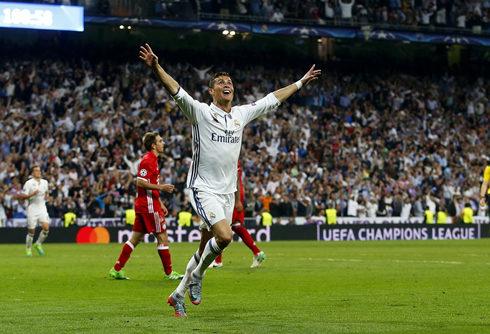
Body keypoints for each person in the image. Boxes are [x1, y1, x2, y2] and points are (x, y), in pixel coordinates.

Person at [137, 43, 321, 317]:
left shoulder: (240, 115)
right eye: (220, 82)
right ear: (212, 91)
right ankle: (199, 276)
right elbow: (175, 89)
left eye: (230, 82)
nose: (227, 84)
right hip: (203, 188)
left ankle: (178, 295)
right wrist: (156, 68)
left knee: (204, 248)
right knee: (225, 236)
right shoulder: (200, 112)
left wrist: (300, 82)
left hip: (226, 193)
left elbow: (273, 99)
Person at [109, 132, 183, 281]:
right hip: (149, 206)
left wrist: (160, 203)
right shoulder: (148, 160)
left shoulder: (153, 160)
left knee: (136, 238)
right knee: (162, 237)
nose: (164, 143)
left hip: (147, 204)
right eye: (161, 141)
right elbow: (139, 182)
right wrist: (161, 188)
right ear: (153, 145)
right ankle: (169, 273)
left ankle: (116, 269)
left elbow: (148, 185)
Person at [210, 160, 267, 268]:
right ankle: (257, 252)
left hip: (231, 195)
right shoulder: (232, 154)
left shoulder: (230, 156)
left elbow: (235, 179)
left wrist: (237, 200)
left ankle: (218, 261)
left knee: (220, 226)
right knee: (235, 226)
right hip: (232, 194)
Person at [18, 166, 50, 257]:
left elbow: (46, 191)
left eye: (39, 171)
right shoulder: (29, 183)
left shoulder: (45, 182)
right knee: (31, 231)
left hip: (42, 208)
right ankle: (28, 249)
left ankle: (38, 243)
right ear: (32, 173)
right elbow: (23, 196)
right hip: (32, 209)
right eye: (36, 171)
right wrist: (32, 194)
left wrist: (47, 196)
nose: (38, 172)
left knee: (46, 228)